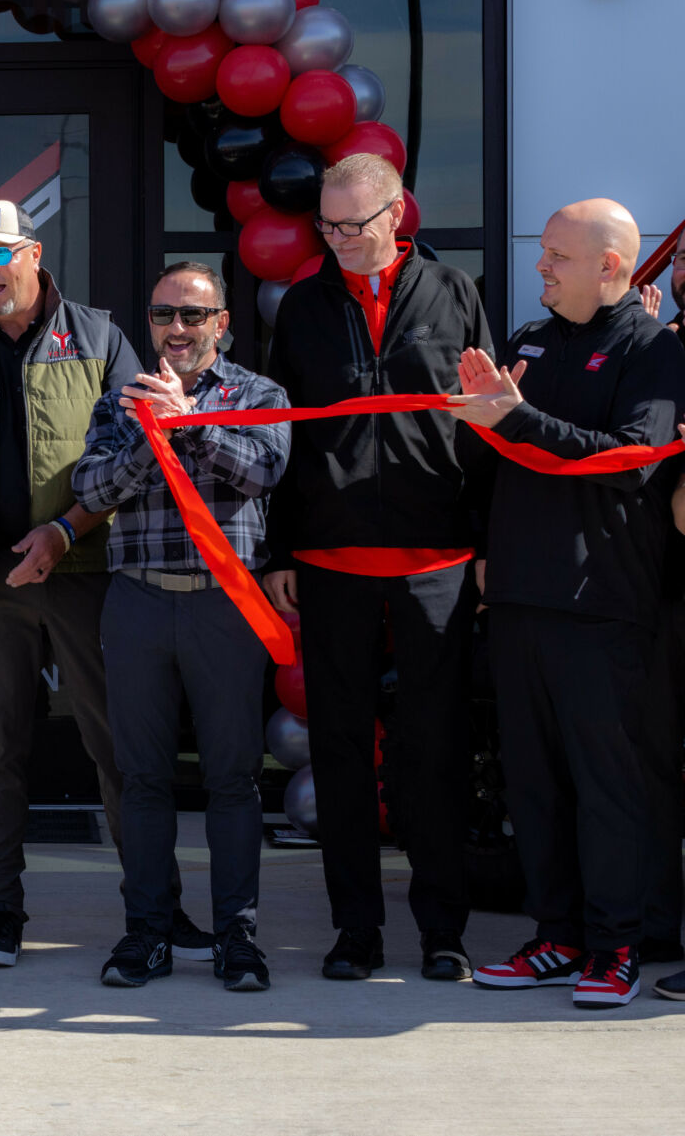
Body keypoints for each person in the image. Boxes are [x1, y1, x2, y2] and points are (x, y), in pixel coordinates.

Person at [0, 199, 214, 969]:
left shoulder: (100, 337)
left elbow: (128, 452)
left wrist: (65, 528)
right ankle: (0, 911)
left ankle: (158, 906)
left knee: (121, 745)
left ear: (34, 254)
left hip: (84, 570)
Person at [262, 154, 494, 983]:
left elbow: (485, 420)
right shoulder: (303, 304)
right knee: (341, 749)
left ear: (398, 214)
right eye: (327, 224)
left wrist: (486, 541)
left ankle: (442, 931)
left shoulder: (454, 291)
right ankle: (355, 930)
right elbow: (283, 432)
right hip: (328, 556)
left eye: (353, 225)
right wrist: (280, 549)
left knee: (434, 749)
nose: (338, 240)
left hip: (438, 555)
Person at [450, 198, 685, 1009]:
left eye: (557, 255)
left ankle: (617, 946)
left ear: (611, 266)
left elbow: (630, 458)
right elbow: (498, 458)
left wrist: (518, 419)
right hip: (517, 593)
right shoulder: (528, 339)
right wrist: (484, 432)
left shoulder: (654, 350)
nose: (541, 266)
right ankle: (556, 935)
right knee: (535, 782)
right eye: (544, 253)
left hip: (602, 600)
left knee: (606, 786)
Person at [70, 262, 290, 992]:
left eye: (194, 316)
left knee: (232, 777)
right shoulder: (120, 401)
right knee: (142, 778)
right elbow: (92, 488)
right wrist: (148, 434)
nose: (178, 330)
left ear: (222, 323)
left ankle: (238, 937)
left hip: (223, 606)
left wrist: (188, 429)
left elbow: (261, 471)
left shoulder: (258, 394)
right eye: (164, 315)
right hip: (137, 603)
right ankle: (148, 933)